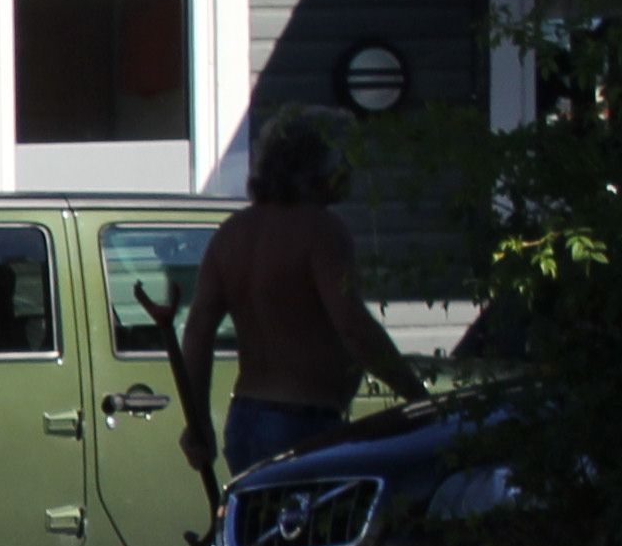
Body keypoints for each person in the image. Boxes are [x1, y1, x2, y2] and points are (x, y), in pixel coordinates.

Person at [176, 107, 432, 485]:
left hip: (245, 419)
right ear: (318, 166)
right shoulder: (322, 231)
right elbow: (354, 327)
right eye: (343, 159)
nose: (350, 171)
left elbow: (197, 334)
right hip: (301, 425)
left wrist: (197, 423)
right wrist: (417, 397)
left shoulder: (232, 233)